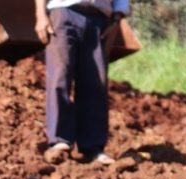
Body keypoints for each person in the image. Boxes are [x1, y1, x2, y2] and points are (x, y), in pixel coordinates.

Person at [34, 0, 130, 166]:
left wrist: (116, 19)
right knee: (59, 78)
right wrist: (41, 15)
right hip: (63, 12)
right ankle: (59, 141)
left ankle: (92, 147)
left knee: (95, 83)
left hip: (99, 21)